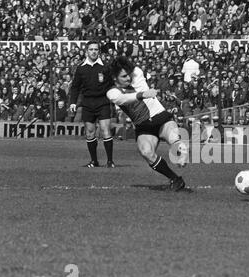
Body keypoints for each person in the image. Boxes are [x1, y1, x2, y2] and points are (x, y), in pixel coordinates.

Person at [106, 56, 188, 191]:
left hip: (161, 118)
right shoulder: (112, 92)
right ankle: (175, 179)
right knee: (146, 152)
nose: (128, 78)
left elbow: (130, 65)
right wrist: (142, 94)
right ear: (115, 78)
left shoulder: (136, 73)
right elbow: (123, 99)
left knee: (173, 138)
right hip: (144, 127)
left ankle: (182, 152)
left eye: (128, 74)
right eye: (124, 76)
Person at [69, 40, 115, 168]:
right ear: (86, 51)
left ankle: (110, 161)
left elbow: (112, 85)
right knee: (90, 132)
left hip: (103, 102)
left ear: (99, 51)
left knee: (106, 130)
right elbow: (75, 87)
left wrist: (115, 99)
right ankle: (94, 161)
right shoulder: (81, 68)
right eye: (91, 49)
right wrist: (73, 102)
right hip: (88, 103)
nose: (93, 52)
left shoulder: (105, 67)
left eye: (96, 49)